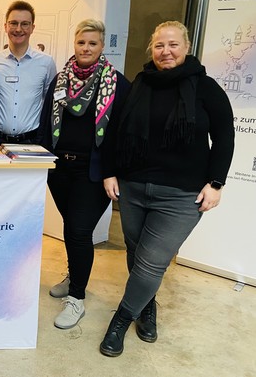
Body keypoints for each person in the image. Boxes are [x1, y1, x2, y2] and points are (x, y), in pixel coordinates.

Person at [99, 21, 234, 357]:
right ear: (152, 49)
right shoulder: (140, 84)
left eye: (173, 45)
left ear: (186, 46)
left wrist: (216, 183)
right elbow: (116, 131)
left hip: (180, 196)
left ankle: (120, 319)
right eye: (159, 45)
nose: (166, 52)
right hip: (133, 187)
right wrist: (110, 172)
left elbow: (225, 136)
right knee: (136, 253)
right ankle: (147, 305)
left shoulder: (205, 88)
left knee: (151, 263)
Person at [38, 19, 130, 330]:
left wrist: (112, 171)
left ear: (102, 46)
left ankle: (76, 298)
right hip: (60, 168)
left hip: (94, 172)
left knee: (79, 230)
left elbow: (122, 133)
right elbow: (45, 121)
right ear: (74, 45)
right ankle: (74, 274)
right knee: (70, 227)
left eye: (92, 43)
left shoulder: (117, 82)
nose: (86, 48)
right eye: (81, 43)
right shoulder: (60, 80)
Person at [0, 0, 56, 146]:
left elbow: (50, 103)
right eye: (13, 23)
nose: (18, 29)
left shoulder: (46, 62)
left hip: (31, 141)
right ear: (5, 26)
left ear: (32, 28)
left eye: (25, 24)